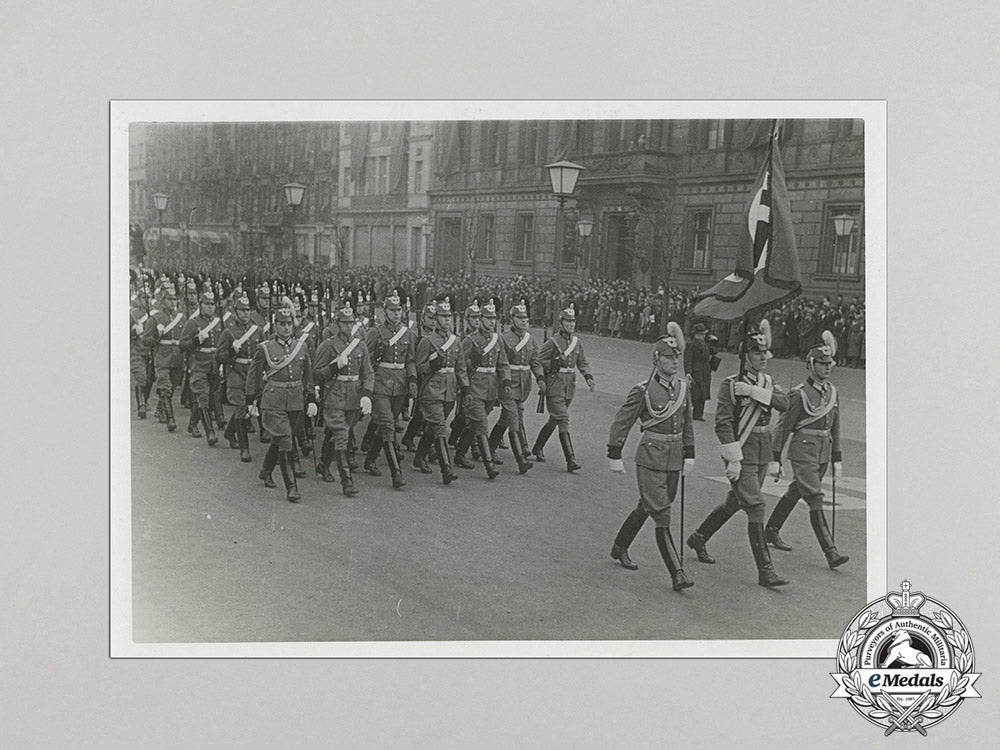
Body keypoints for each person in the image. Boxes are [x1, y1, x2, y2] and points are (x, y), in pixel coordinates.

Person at [686, 321, 791, 588]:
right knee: (755, 505)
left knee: (735, 502)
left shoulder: (767, 382)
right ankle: (765, 570)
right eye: (757, 353)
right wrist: (732, 456)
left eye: (764, 353)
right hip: (740, 450)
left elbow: (785, 404)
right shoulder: (730, 385)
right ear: (746, 356)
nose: (763, 358)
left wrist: (756, 392)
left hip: (762, 448)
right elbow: (722, 423)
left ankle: (699, 537)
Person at [607, 323, 695, 591]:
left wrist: (689, 454)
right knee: (662, 515)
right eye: (669, 357)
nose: (675, 361)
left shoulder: (682, 388)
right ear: (656, 360)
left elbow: (687, 423)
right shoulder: (642, 390)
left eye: (677, 356)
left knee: (649, 506)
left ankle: (619, 546)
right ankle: (677, 573)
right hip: (650, 458)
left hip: (674, 457)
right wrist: (615, 453)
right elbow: (622, 422)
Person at [764, 331, 849, 569]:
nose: (827, 367)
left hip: (822, 452)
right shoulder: (799, 393)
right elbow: (783, 428)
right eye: (822, 363)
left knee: (796, 491)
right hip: (802, 452)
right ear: (811, 365)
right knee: (814, 498)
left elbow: (836, 427)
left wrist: (836, 458)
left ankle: (771, 530)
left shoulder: (833, 392)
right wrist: (776, 457)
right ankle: (830, 551)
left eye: (829, 363)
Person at [246, 307, 317, 502]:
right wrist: (251, 400)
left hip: (295, 401)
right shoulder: (265, 348)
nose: (286, 328)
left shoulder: (300, 347)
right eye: (281, 324)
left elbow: (307, 374)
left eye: (288, 324)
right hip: (273, 401)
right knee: (285, 438)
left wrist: (311, 398)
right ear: (275, 325)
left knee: (281, 439)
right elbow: (254, 375)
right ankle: (292, 487)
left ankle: (266, 470)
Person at [313, 306, 374, 497]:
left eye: (351, 322)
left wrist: (366, 394)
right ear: (337, 324)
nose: (348, 326)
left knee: (341, 433)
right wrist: (333, 367)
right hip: (335, 396)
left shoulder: (360, 345)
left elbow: (368, 372)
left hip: (354, 397)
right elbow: (316, 373)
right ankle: (347, 482)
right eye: (344, 322)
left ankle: (323, 464)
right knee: (342, 436)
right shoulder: (328, 345)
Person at [362, 293, 417, 489]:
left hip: (399, 386)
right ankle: (396, 473)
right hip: (380, 385)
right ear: (384, 311)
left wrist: (412, 380)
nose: (395, 314)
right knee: (387, 425)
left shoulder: (408, 334)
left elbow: (410, 360)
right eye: (392, 310)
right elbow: (366, 361)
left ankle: (370, 460)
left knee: (386, 424)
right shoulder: (375, 333)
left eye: (398, 310)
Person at [531, 307, 595, 472]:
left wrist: (588, 376)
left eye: (573, 321)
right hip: (554, 386)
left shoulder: (576, 342)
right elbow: (538, 361)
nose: (571, 324)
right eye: (568, 321)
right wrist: (554, 363)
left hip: (569, 388)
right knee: (563, 418)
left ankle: (538, 447)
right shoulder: (552, 342)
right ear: (561, 323)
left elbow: (582, 361)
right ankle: (570, 459)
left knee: (555, 419)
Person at [453, 302, 511, 480]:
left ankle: (460, 454)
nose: (491, 321)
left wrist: (506, 380)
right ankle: (489, 466)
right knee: (482, 424)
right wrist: (466, 383)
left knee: (474, 424)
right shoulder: (470, 341)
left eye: (493, 318)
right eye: (487, 318)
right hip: (474, 388)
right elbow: (459, 363)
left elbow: (503, 363)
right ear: (480, 319)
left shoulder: (497, 339)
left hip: (491, 389)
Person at [413, 301, 468, 485]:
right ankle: (447, 469)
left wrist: (465, 388)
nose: (446, 320)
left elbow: (460, 368)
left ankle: (419, 456)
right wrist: (432, 365)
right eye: (443, 317)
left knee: (434, 427)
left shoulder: (456, 341)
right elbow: (419, 367)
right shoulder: (427, 341)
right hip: (432, 390)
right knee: (440, 427)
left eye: (448, 317)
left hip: (450, 391)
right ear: (435, 320)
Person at [489, 301, 543, 474]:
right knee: (514, 418)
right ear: (512, 319)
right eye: (519, 318)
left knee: (506, 418)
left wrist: (540, 376)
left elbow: (535, 361)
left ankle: (489, 448)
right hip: (508, 384)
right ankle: (521, 460)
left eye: (525, 317)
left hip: (523, 386)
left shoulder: (530, 339)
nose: (523, 321)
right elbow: (500, 363)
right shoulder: (504, 339)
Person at [215, 292, 261, 462]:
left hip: (253, 375)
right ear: (235, 312)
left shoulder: (257, 331)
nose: (245, 313)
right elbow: (220, 357)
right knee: (241, 408)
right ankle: (244, 449)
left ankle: (229, 433)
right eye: (242, 310)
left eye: (248, 309)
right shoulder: (229, 333)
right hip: (236, 375)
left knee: (247, 411)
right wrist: (231, 352)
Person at [178, 291, 224, 445]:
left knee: (207, 398)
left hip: (214, 366)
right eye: (207, 304)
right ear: (200, 305)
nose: (210, 307)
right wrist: (197, 340)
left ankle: (192, 425)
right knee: (203, 397)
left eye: (212, 304)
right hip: (198, 365)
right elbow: (182, 345)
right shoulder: (193, 323)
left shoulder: (219, 322)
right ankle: (210, 432)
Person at [143, 284, 186, 433]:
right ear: (163, 300)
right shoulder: (155, 318)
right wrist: (156, 335)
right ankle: (170, 419)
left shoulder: (181, 318)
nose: (172, 302)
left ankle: (161, 409)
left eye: (175, 299)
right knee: (166, 388)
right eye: (169, 299)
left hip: (177, 357)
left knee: (172, 387)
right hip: (162, 357)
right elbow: (146, 340)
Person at [130, 289, 155, 419]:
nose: (147, 299)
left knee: (149, 379)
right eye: (144, 297)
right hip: (137, 351)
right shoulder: (132, 314)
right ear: (138, 298)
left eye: (149, 297)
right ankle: (141, 405)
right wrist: (134, 332)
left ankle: (145, 399)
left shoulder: (153, 315)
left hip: (150, 352)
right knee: (141, 377)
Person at [685, 322, 712, 421]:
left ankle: (698, 414)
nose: (703, 336)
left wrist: (715, 342)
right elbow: (688, 359)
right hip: (696, 372)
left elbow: (712, 353)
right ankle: (686, 411)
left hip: (705, 372)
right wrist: (688, 372)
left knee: (703, 394)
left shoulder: (705, 344)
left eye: (704, 334)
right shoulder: (691, 344)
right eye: (702, 334)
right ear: (696, 334)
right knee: (695, 394)